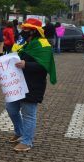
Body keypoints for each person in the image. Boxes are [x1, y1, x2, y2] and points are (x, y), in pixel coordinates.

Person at [6, 18, 57, 152]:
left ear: (34, 31)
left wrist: (26, 64)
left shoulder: (43, 44)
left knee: (28, 114)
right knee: (11, 108)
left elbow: (44, 66)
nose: (23, 31)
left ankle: (27, 141)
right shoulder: (25, 43)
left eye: (26, 29)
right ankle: (20, 132)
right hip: (18, 83)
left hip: (33, 85)